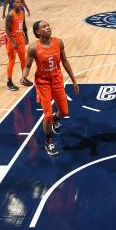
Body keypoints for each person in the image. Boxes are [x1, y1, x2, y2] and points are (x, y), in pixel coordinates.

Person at [21, 20, 79, 156]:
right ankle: (48, 142)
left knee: (64, 112)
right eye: (44, 27)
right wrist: (24, 76)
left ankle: (56, 118)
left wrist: (74, 80)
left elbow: (65, 61)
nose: (48, 28)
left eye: (48, 26)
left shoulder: (58, 42)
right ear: (37, 32)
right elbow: (28, 66)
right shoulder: (33, 48)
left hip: (57, 80)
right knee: (47, 114)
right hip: (43, 82)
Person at [5, 0, 28, 91]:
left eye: (20, 2)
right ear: (13, 4)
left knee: (23, 60)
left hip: (20, 38)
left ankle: (24, 79)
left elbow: (24, 25)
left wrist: (26, 36)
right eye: (17, 2)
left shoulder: (22, 12)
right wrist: (13, 41)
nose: (19, 4)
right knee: (12, 60)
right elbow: (6, 29)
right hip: (12, 39)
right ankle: (9, 82)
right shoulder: (10, 15)